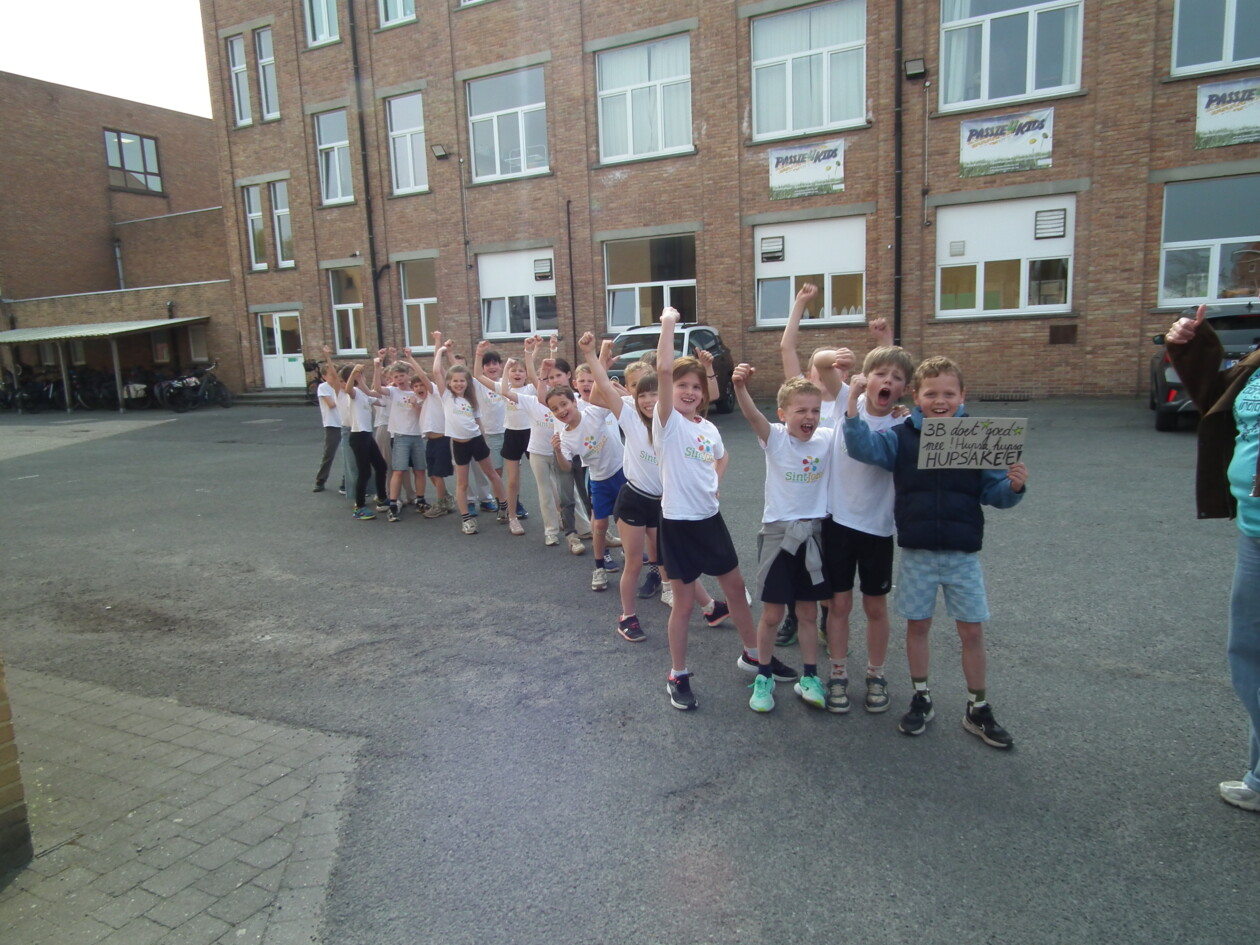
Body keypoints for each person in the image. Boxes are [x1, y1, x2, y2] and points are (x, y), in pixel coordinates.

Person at [842, 355, 1027, 747]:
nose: (940, 401)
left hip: (962, 554)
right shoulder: (901, 435)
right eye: (931, 394)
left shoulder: (978, 437)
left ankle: (978, 707)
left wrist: (1013, 487)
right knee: (918, 627)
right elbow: (863, 449)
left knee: (971, 630)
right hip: (918, 553)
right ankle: (921, 697)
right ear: (916, 396)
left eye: (948, 394)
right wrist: (852, 409)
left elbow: (993, 493)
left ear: (962, 395)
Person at [654, 307, 796, 711]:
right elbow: (662, 369)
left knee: (735, 588)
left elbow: (722, 456)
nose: (689, 392)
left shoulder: (707, 428)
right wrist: (668, 323)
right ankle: (677, 673)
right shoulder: (668, 424)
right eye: (682, 385)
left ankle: (753, 654)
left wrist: (714, 481)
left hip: (709, 521)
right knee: (684, 605)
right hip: (678, 525)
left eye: (696, 387)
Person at [1165, 303, 1260, 811]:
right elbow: (1215, 399)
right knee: (1248, 654)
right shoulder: (1257, 362)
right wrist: (1192, 345)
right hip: (1253, 529)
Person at [733, 364, 834, 713]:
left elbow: (855, 421)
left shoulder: (827, 438)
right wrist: (740, 387)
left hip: (813, 536)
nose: (810, 417)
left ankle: (810, 676)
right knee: (773, 614)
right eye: (801, 410)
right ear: (782, 414)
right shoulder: (775, 438)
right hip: (779, 536)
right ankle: (764, 675)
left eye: (815, 411)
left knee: (807, 612)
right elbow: (752, 416)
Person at [822, 341, 916, 715]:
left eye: (896, 378)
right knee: (839, 604)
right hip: (839, 522)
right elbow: (821, 366)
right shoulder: (848, 399)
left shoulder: (904, 424)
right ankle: (838, 672)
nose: (887, 381)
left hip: (878, 527)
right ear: (866, 377)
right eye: (880, 374)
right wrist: (835, 358)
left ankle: (876, 674)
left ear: (905, 388)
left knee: (876, 606)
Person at [431, 334, 508, 535]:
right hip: (459, 444)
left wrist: (482, 438)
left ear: (467, 383)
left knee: (492, 474)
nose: (459, 384)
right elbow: (436, 371)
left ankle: (504, 506)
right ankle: (466, 519)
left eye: (462, 381)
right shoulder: (446, 396)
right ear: (449, 383)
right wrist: (441, 350)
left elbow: (478, 422)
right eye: (455, 381)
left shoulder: (471, 399)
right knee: (462, 483)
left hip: (477, 441)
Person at [312, 354, 342, 493]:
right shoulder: (323, 387)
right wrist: (341, 397)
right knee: (329, 453)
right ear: (324, 377)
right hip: (332, 424)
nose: (334, 377)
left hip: (345, 423)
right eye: (331, 375)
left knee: (350, 454)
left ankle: (346, 481)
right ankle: (320, 480)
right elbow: (331, 404)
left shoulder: (340, 386)